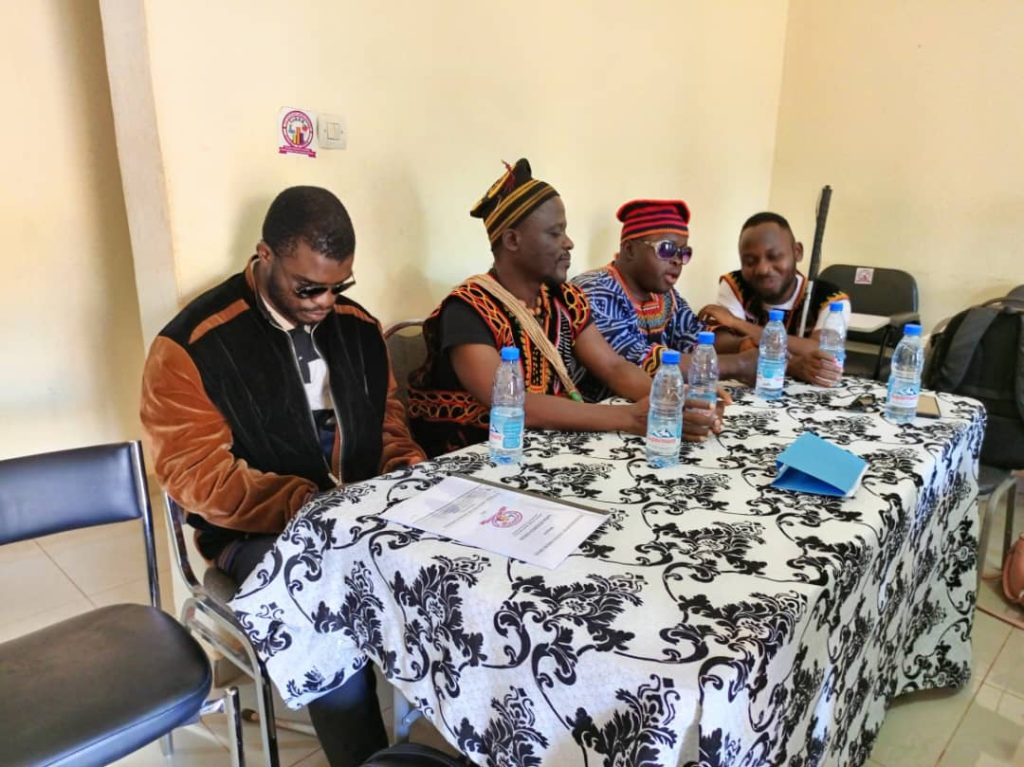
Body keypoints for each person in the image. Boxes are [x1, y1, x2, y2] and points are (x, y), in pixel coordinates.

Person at [140, 186, 424, 767]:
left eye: (338, 286)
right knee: (323, 612)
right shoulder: (192, 346)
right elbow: (196, 476)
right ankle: (362, 757)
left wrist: (408, 473)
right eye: (307, 287)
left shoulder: (360, 328)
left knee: (452, 572)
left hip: (364, 514)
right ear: (265, 255)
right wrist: (305, 505)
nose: (325, 301)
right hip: (254, 533)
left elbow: (388, 423)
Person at [408, 159, 723, 458]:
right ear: (513, 240)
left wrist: (671, 401)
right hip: (475, 458)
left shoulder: (564, 299)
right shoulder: (468, 309)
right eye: (555, 232)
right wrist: (628, 417)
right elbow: (514, 404)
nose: (569, 243)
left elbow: (613, 367)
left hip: (547, 447)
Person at [572, 199, 756, 401]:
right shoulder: (593, 290)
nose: (677, 260)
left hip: (654, 408)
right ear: (629, 249)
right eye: (666, 249)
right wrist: (739, 365)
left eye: (684, 253)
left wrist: (743, 346)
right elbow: (640, 361)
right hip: (596, 416)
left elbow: (696, 337)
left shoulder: (664, 295)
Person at [699, 211, 851, 386]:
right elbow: (721, 344)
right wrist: (791, 364)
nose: (763, 269)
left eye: (774, 257)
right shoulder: (735, 284)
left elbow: (823, 353)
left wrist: (737, 323)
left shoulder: (831, 299)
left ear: (797, 252)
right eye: (750, 261)